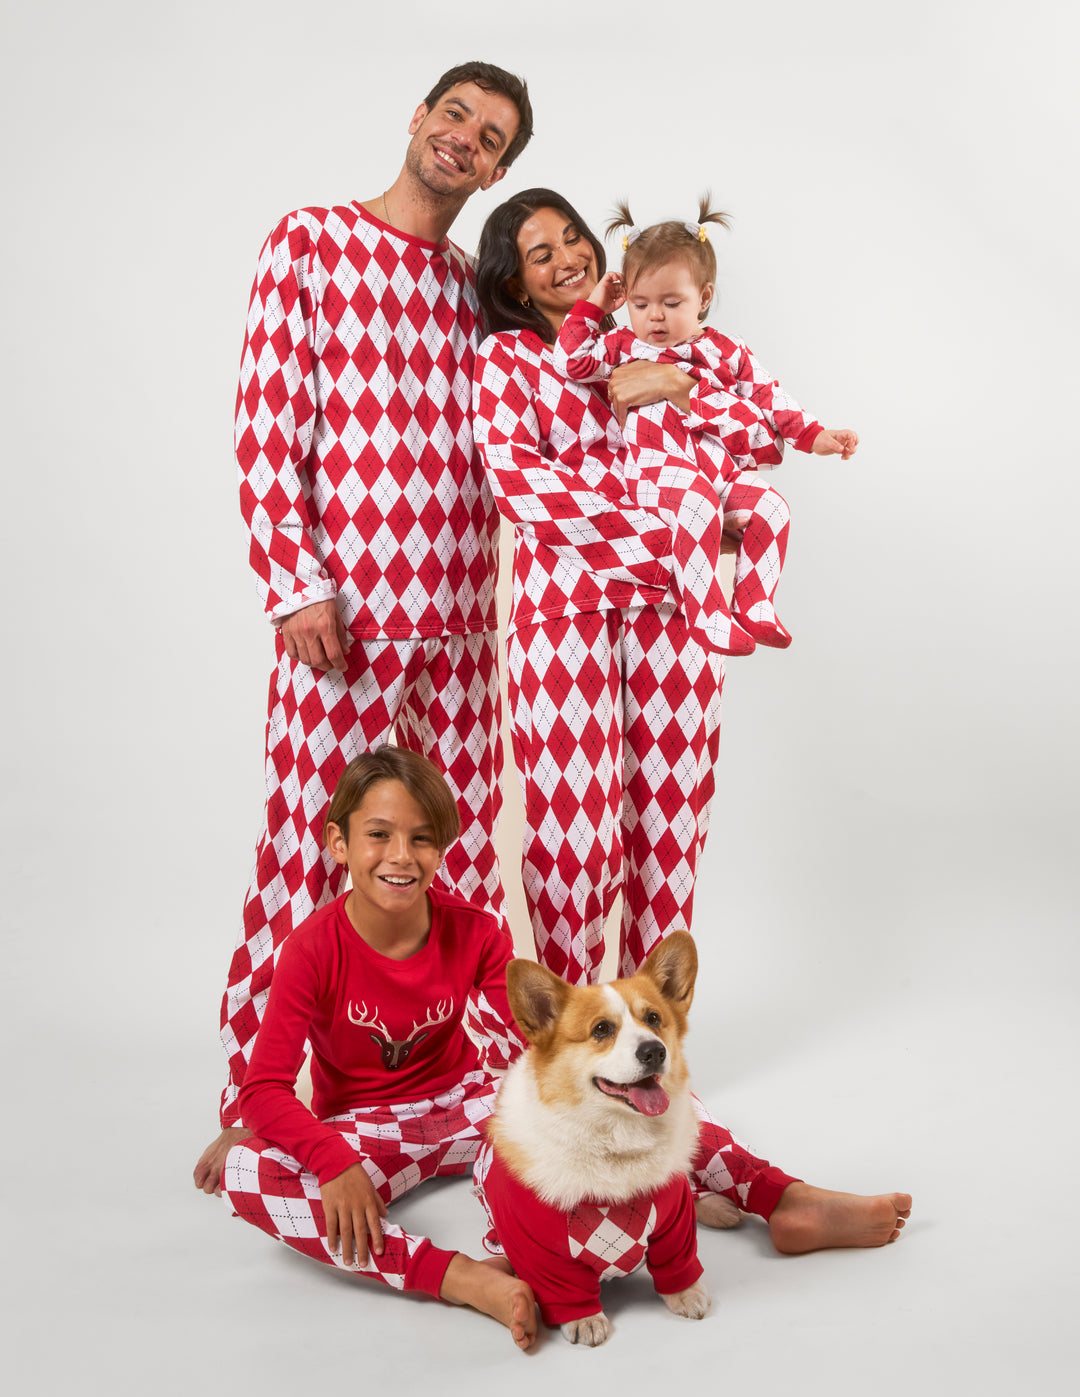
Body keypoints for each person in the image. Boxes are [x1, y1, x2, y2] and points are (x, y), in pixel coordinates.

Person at [219, 747, 912, 1349]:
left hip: (469, 1105)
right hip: (366, 1128)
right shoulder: (311, 949)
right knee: (246, 1171)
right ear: (339, 844)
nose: (401, 856)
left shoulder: (474, 929)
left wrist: (601, 1071)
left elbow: (546, 1040)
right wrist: (322, 1154)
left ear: (440, 848)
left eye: (421, 838)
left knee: (649, 1086)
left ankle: (779, 1196)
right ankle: (464, 1278)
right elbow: (265, 1088)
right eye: (379, 834)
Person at [194, 62, 534, 1195]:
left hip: (461, 621)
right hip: (342, 622)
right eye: (457, 114)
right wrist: (296, 584)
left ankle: (463, 1086)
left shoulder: (475, 288)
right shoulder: (311, 241)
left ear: (496, 172)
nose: (465, 138)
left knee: (458, 851)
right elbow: (266, 427)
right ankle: (256, 1097)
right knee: (312, 846)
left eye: (491, 137)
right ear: (419, 118)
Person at [472, 188, 742, 985]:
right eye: (540, 253)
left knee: (671, 830)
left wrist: (681, 388)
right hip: (565, 616)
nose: (567, 257)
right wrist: (667, 547)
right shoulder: (508, 359)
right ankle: (574, 1028)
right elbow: (521, 485)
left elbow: (751, 439)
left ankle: (655, 1028)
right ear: (516, 282)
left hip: (674, 618)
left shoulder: (659, 340)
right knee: (578, 839)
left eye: (571, 237)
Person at [552, 197, 859, 655]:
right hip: (658, 473)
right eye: (640, 303)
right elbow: (572, 360)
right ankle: (707, 614)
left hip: (720, 474)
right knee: (696, 503)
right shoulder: (622, 344)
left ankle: (753, 604)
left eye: (671, 302)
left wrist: (815, 436)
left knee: (772, 507)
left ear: (704, 298)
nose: (654, 315)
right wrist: (594, 306)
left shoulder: (728, 350)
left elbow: (769, 397)